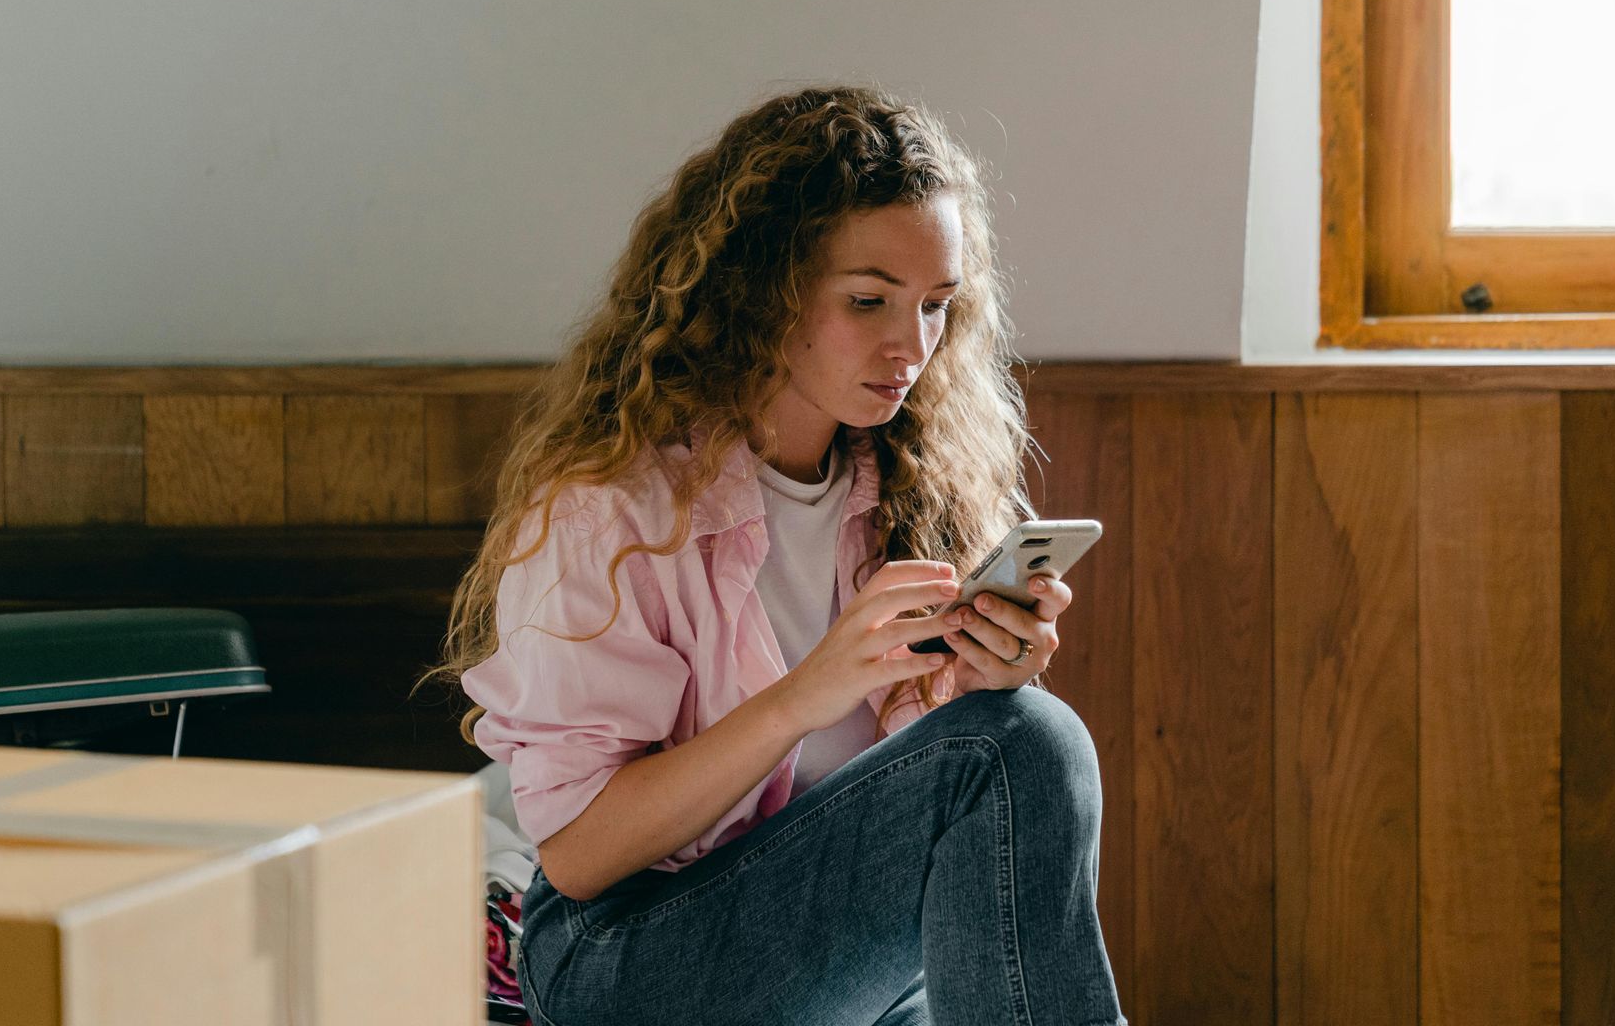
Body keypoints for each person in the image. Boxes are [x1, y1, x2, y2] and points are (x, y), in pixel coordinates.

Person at [431, 84, 1124, 1025]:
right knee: (1029, 748)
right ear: (762, 292)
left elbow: (939, 813)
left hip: (834, 957)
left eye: (935, 307)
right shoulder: (612, 508)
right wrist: (804, 696)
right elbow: (578, 855)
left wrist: (996, 671)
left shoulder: (922, 488)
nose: (910, 344)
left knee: (1022, 737)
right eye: (870, 300)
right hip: (625, 951)